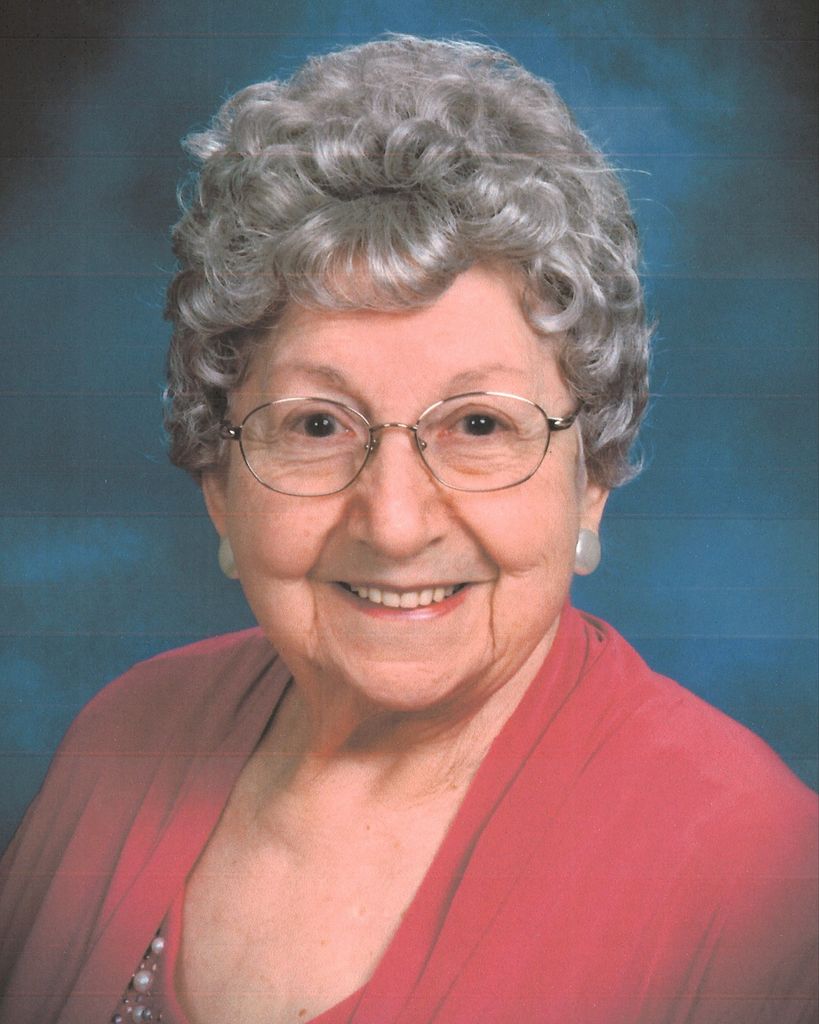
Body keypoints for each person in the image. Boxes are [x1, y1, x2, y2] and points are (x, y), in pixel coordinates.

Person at [0, 35, 816, 1024]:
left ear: (592, 476)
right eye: (316, 425)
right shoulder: (123, 739)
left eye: (478, 426)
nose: (393, 523)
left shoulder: (758, 875)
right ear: (219, 479)